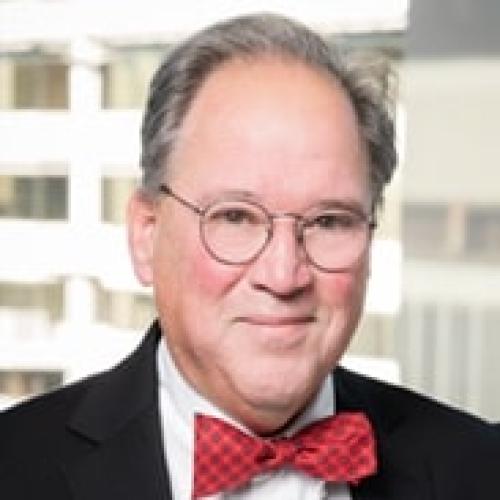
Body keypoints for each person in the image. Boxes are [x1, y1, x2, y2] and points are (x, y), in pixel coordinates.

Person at [0, 13, 498, 500]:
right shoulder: (13, 466)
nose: (283, 276)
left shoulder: (479, 468)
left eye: (329, 221)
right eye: (235, 217)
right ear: (146, 236)